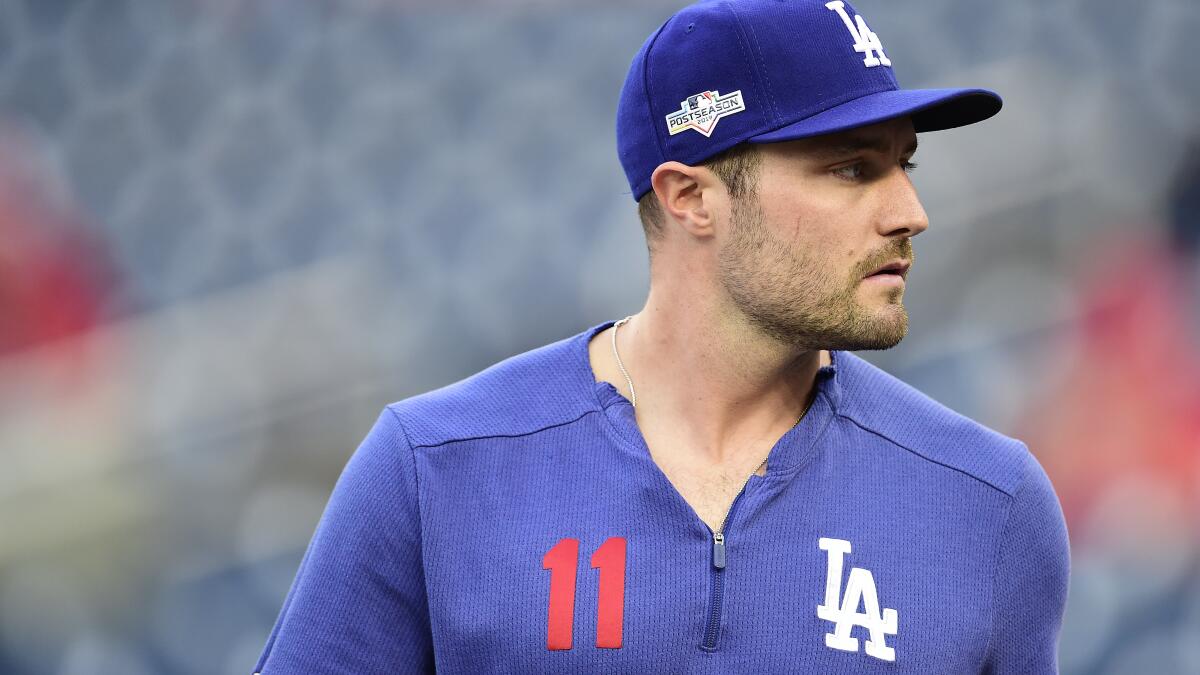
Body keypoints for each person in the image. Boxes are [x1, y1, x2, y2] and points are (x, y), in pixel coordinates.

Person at [254, 0, 1070, 672]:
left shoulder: (990, 504)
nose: (909, 212)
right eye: (854, 168)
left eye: (906, 165)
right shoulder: (434, 468)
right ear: (690, 198)